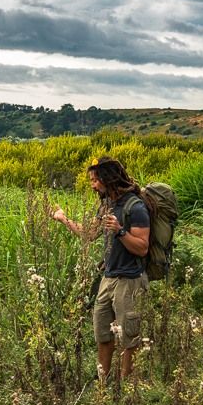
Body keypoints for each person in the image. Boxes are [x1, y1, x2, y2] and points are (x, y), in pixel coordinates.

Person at [52, 156, 150, 379]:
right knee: (102, 333)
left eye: (95, 180)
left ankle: (127, 387)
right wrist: (63, 219)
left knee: (129, 338)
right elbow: (89, 234)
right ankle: (103, 384)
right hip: (108, 278)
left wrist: (120, 231)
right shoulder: (106, 205)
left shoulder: (135, 207)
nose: (92, 185)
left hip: (130, 280)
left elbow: (142, 248)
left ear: (108, 179)